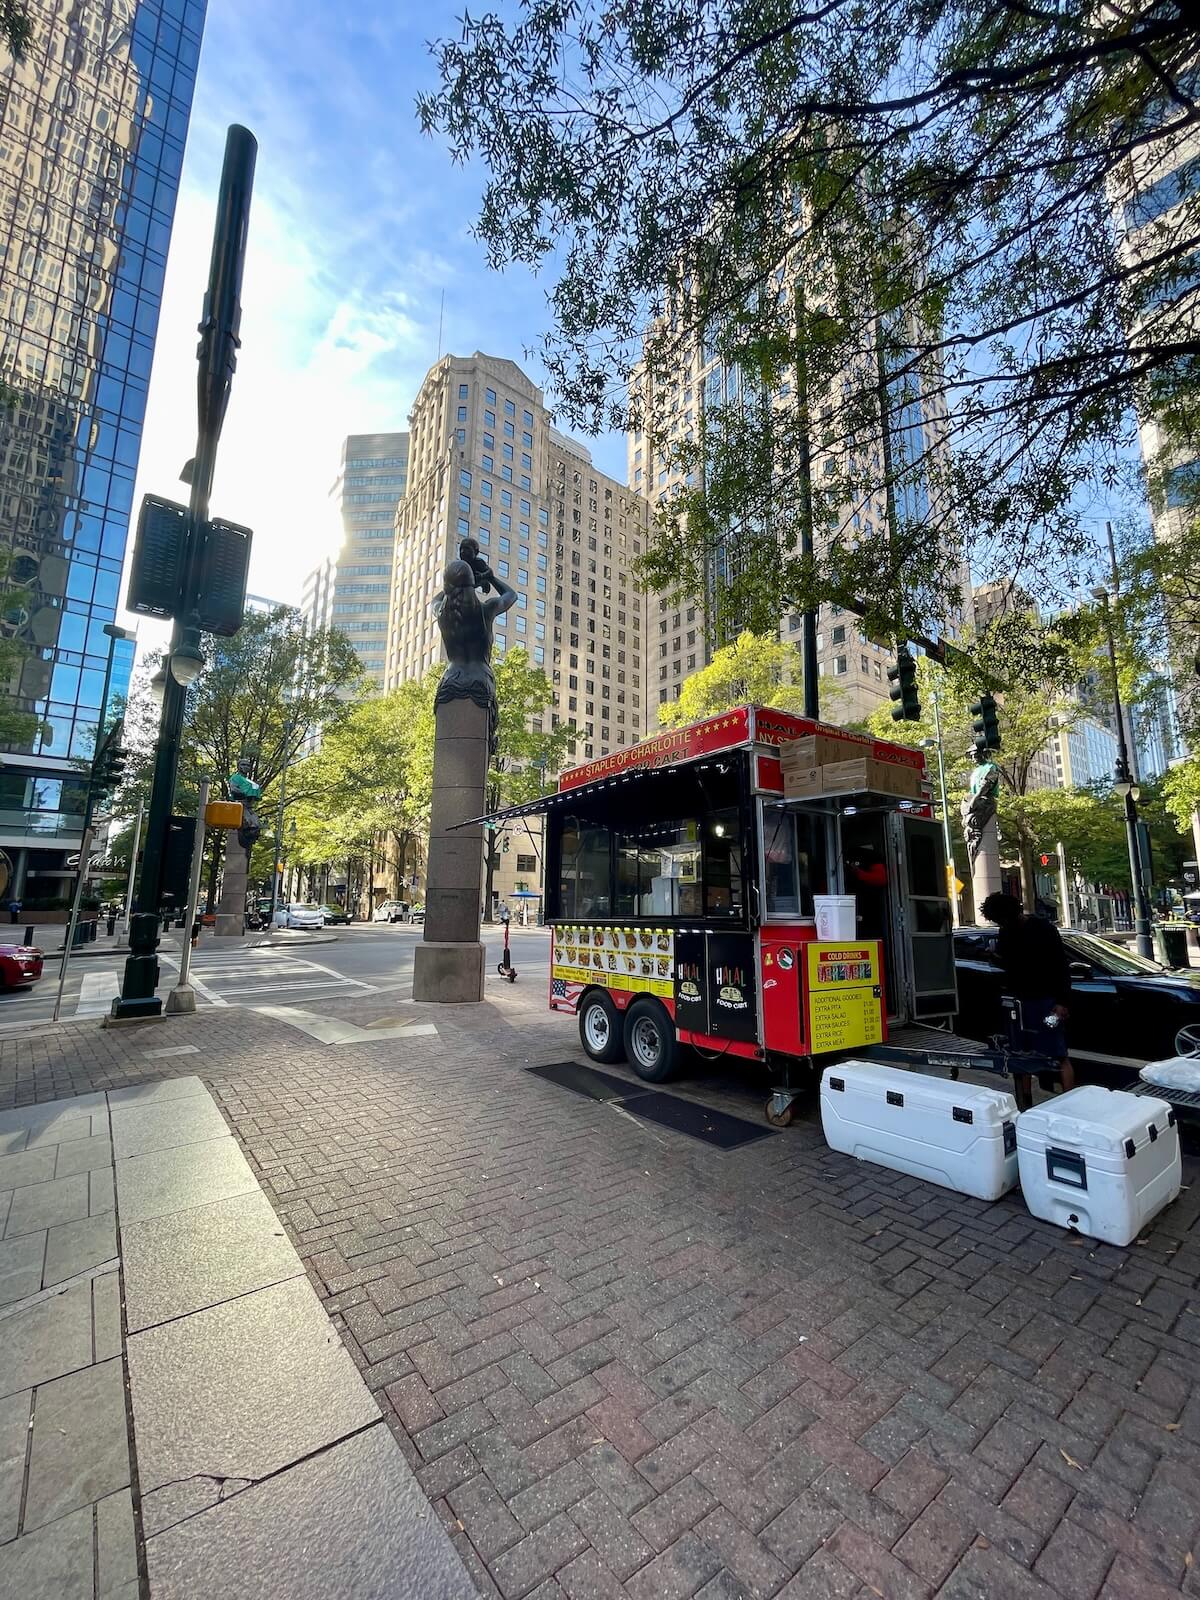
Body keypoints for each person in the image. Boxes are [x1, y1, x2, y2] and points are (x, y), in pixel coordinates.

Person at [980, 891, 1076, 1110]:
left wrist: (1062, 1002)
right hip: (1020, 1001)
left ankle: (1070, 1101)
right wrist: (996, 958)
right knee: (1020, 1053)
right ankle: (1025, 1103)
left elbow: (1061, 966)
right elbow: (1010, 965)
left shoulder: (1043, 929)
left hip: (1046, 1001)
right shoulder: (1006, 932)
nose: (1002, 924)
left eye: (1003, 919)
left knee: (1058, 1053)